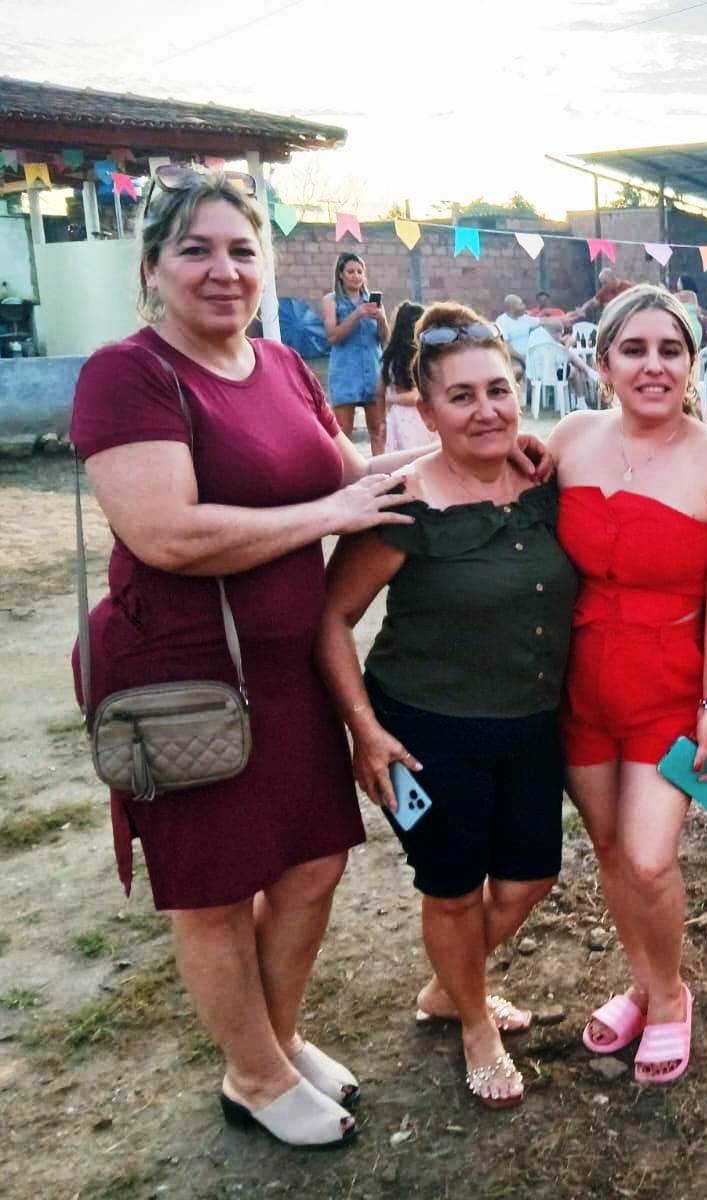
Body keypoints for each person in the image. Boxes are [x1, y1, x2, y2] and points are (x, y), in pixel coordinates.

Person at [69, 166, 429, 1150]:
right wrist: (328, 515)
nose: (223, 271)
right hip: (183, 673)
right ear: (152, 269)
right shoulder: (129, 374)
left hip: (286, 666)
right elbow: (166, 533)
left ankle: (274, 1039)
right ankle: (256, 1074)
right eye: (196, 250)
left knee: (313, 862)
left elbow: (352, 477)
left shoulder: (279, 366)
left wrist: (479, 449)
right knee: (217, 887)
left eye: (241, 250)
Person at [315, 303, 575, 1112]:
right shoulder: (404, 505)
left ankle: (447, 984)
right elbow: (331, 620)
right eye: (460, 397)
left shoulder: (543, 483)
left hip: (531, 721)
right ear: (426, 413)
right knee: (454, 888)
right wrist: (364, 730)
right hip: (426, 730)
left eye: (498, 390)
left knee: (530, 877)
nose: (485, 410)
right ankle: (472, 1021)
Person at [548, 284, 707, 1084]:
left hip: (669, 685)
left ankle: (671, 997)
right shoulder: (570, 438)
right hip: (577, 684)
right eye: (634, 350)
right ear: (603, 362)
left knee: (646, 857)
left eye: (671, 350)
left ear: (692, 362)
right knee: (606, 847)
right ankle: (639, 982)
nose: (653, 366)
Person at [322, 251, 388, 455]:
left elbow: (384, 338)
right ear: (340, 274)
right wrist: (356, 314)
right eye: (350, 271)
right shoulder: (331, 300)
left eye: (360, 271)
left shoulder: (373, 301)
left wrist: (381, 319)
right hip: (345, 373)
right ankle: (348, 472)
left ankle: (381, 471)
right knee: (343, 432)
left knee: (378, 430)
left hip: (373, 370)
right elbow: (333, 336)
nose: (356, 276)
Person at [380, 301, 432, 452]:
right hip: (420, 419)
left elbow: (379, 391)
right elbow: (418, 395)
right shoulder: (422, 358)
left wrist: (385, 413)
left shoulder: (389, 359)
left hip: (397, 418)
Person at [565, 267, 633, 325]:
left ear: (613, 278)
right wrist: (583, 309)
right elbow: (593, 302)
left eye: (605, 282)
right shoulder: (604, 290)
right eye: (602, 283)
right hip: (611, 322)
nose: (603, 286)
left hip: (627, 320)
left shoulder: (629, 287)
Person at [494, 293, 540, 379]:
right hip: (514, 357)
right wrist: (522, 357)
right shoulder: (502, 321)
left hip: (531, 356)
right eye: (521, 304)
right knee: (517, 370)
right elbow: (506, 346)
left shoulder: (524, 318)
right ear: (512, 308)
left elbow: (543, 321)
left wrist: (563, 319)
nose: (524, 306)